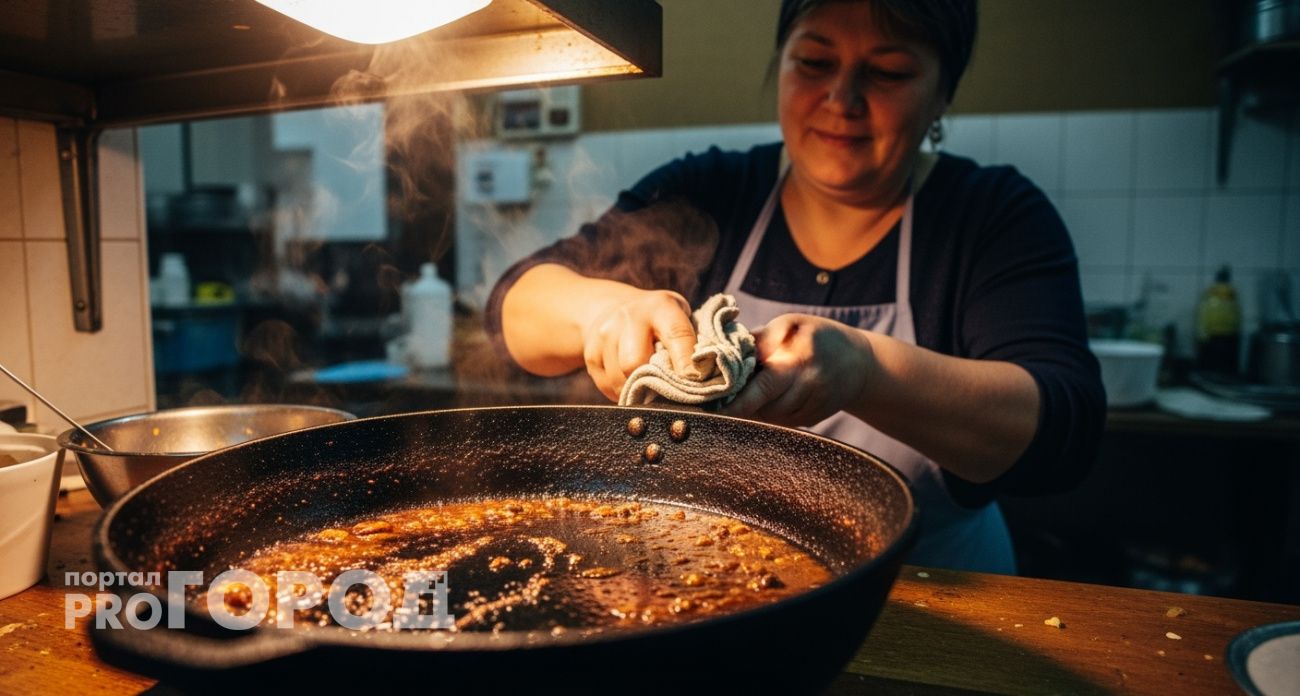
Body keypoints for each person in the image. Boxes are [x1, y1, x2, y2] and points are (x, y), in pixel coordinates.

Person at [485, 0, 1105, 574]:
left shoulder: (991, 216)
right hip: (713, 580)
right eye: (813, 62)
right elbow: (513, 308)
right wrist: (604, 310)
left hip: (935, 597)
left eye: (887, 72)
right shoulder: (711, 191)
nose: (842, 97)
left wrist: (862, 370)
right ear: (781, 62)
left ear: (942, 93)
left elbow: (1060, 435)